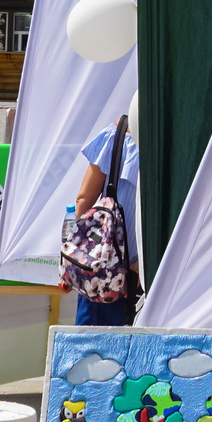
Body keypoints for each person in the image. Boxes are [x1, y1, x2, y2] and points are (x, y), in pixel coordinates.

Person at [70, 112, 142, 325]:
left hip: (105, 267)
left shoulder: (118, 132)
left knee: (94, 350)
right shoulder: (185, 139)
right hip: (157, 268)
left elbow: (83, 200)